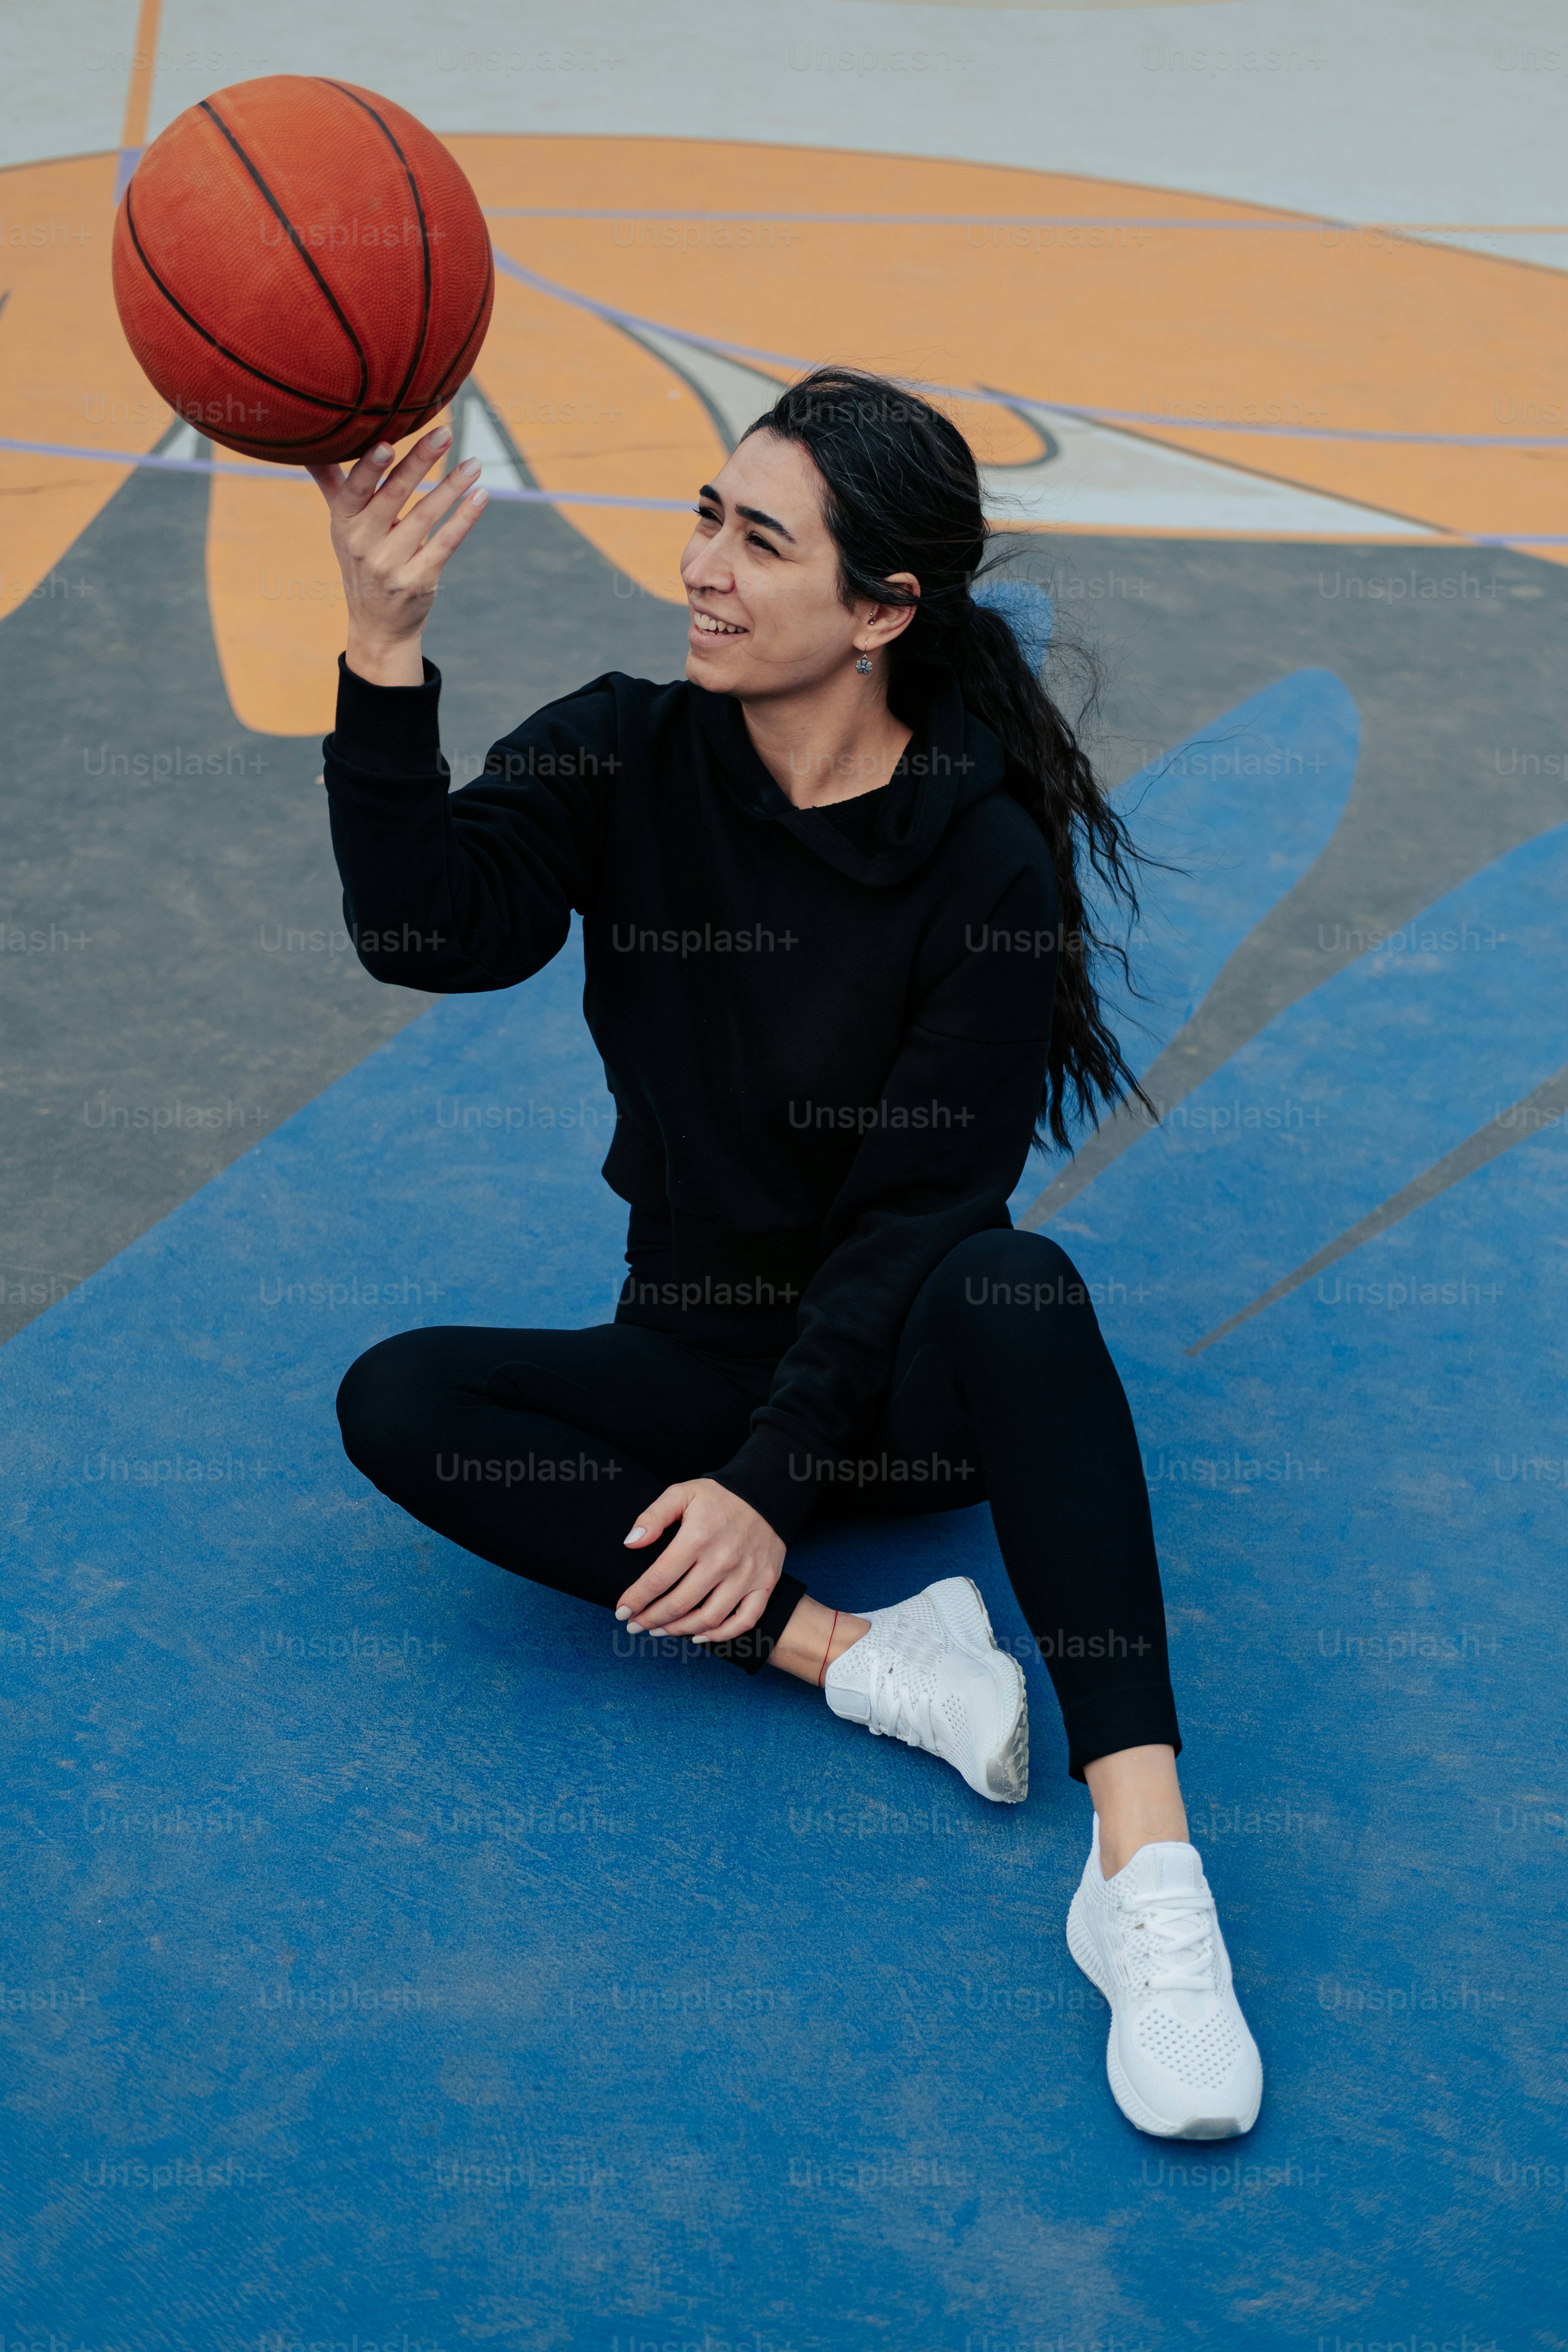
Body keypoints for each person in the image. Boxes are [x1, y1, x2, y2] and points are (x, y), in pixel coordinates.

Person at [308, 368, 1263, 2141]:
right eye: (705, 517)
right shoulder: (623, 748)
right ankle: (861, 1657)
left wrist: (759, 1479)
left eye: (761, 542)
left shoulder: (981, 859)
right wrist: (383, 648)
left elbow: (915, 1216)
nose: (704, 571)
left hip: (896, 1379)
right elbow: (426, 929)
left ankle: (1143, 1874)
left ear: (882, 610)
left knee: (1012, 1283)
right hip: (688, 1344)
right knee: (399, 1397)